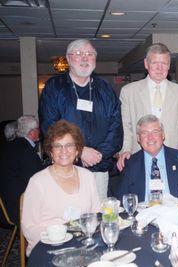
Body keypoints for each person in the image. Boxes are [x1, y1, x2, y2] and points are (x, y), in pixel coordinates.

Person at [38, 39, 123, 200]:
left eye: (89, 54)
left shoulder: (105, 89)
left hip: (99, 168)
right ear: (68, 59)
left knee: (97, 215)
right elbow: (49, 128)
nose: (85, 58)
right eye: (78, 54)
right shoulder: (54, 87)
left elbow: (116, 127)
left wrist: (97, 155)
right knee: (68, 217)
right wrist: (81, 151)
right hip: (66, 167)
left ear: (95, 60)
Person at [21, 120, 101, 256]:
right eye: (57, 146)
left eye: (69, 145)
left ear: (77, 150)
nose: (64, 151)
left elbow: (97, 213)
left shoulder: (87, 176)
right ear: (51, 152)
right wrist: (59, 239)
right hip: (50, 249)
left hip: (84, 247)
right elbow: (29, 228)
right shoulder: (38, 182)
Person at [117, 43, 178, 171]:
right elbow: (125, 125)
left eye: (164, 63)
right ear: (146, 64)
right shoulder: (128, 92)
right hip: (138, 157)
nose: (160, 68)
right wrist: (126, 150)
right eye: (155, 63)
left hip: (173, 158)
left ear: (169, 65)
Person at [116, 115, 178, 202]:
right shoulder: (130, 164)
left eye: (155, 132)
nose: (150, 137)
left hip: (175, 212)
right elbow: (122, 200)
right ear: (138, 138)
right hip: (142, 213)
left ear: (163, 135)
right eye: (144, 133)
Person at [0, 115, 43, 223]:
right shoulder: (26, 151)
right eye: (38, 129)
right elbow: (37, 182)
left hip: (5, 203)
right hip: (20, 207)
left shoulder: (8, 146)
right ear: (32, 132)